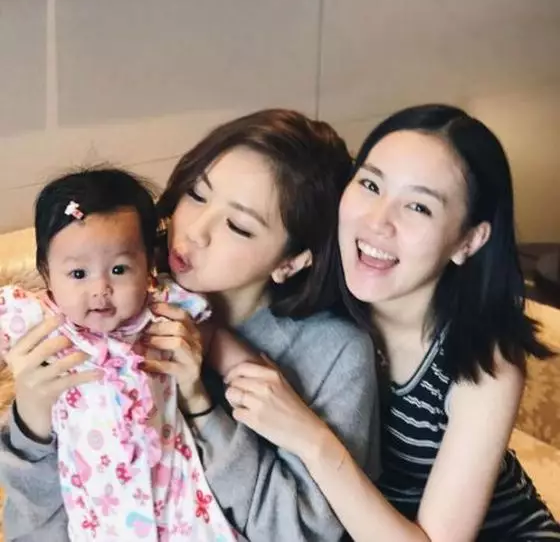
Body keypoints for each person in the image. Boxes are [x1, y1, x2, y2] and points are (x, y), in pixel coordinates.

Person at [0, 109, 380, 542]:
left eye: (237, 225)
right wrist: (31, 426)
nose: (195, 232)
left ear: (291, 261)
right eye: (197, 195)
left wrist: (202, 406)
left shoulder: (333, 354)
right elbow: (30, 532)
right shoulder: (100, 298)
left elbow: (303, 533)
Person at [224, 104, 560, 541]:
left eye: (418, 207)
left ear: (469, 240)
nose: (377, 222)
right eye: (370, 184)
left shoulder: (484, 363)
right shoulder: (327, 286)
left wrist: (311, 439)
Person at [0, 167, 239, 541]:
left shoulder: (163, 311)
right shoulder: (38, 319)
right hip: (99, 513)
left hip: (177, 498)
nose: (100, 289)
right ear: (46, 274)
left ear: (148, 268)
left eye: (118, 269)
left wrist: (241, 370)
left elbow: (221, 343)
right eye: (78, 274)